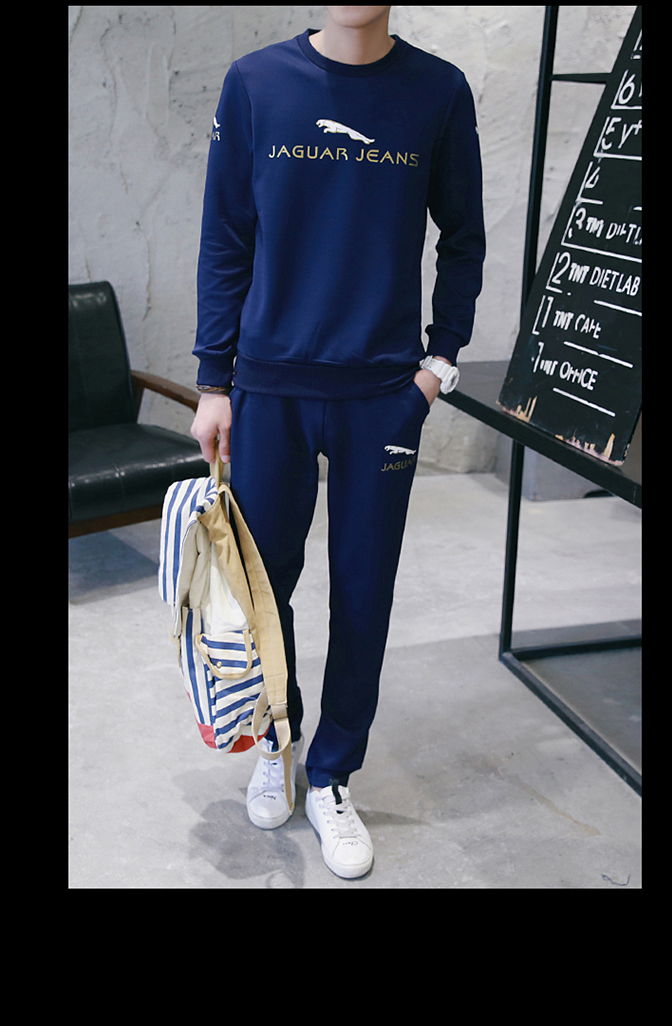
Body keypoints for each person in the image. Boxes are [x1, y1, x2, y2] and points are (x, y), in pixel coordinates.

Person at [190, 5, 485, 879]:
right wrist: (213, 381)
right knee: (263, 587)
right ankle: (277, 742)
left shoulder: (438, 91)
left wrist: (438, 365)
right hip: (269, 390)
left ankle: (331, 776)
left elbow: (464, 236)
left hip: (381, 398)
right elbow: (226, 234)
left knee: (363, 594)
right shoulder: (256, 84)